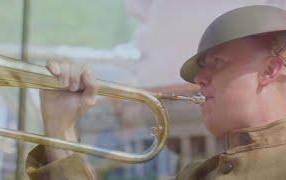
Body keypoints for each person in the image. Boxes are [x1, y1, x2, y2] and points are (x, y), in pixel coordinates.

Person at [26, 5, 286, 180]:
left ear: (271, 69)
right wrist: (60, 129)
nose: (199, 78)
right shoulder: (197, 174)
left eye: (218, 63)